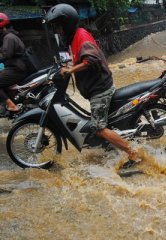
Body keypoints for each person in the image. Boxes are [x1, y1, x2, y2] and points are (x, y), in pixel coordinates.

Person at [44, 4, 139, 170]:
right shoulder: (74, 38)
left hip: (100, 90)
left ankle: (133, 153)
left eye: (59, 26)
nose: (58, 30)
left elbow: (91, 60)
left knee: (98, 127)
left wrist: (71, 69)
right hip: (96, 87)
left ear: (66, 24)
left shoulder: (81, 36)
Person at [0, 13, 28, 112]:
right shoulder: (8, 37)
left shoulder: (8, 37)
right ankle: (5, 105)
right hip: (15, 67)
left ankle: (11, 105)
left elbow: (5, 55)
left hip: (16, 69)